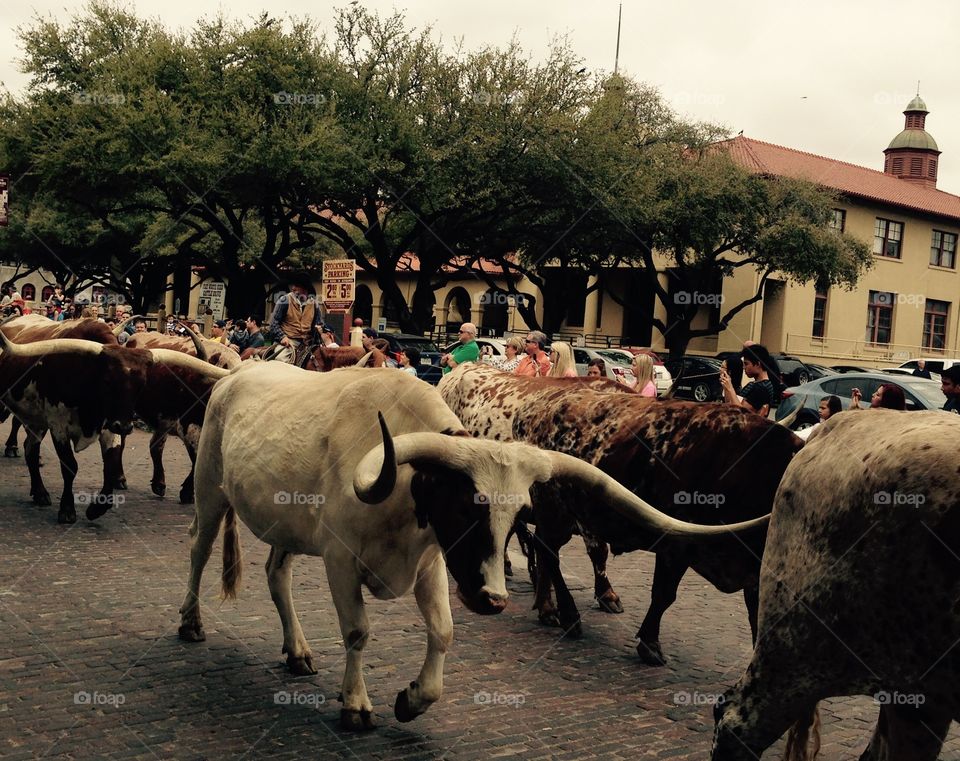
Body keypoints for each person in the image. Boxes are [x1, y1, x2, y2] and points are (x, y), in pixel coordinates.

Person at [269, 275, 324, 363]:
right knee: (281, 359)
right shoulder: (284, 300)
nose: (293, 288)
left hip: (307, 343)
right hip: (288, 342)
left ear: (305, 288)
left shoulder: (314, 304)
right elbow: (273, 323)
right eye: (293, 285)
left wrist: (319, 332)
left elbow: (319, 324)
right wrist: (282, 337)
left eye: (297, 286)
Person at [734, 343, 777, 417]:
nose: (744, 367)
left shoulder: (761, 388)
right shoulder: (759, 384)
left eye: (746, 364)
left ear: (757, 364)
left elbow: (739, 412)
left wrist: (728, 387)